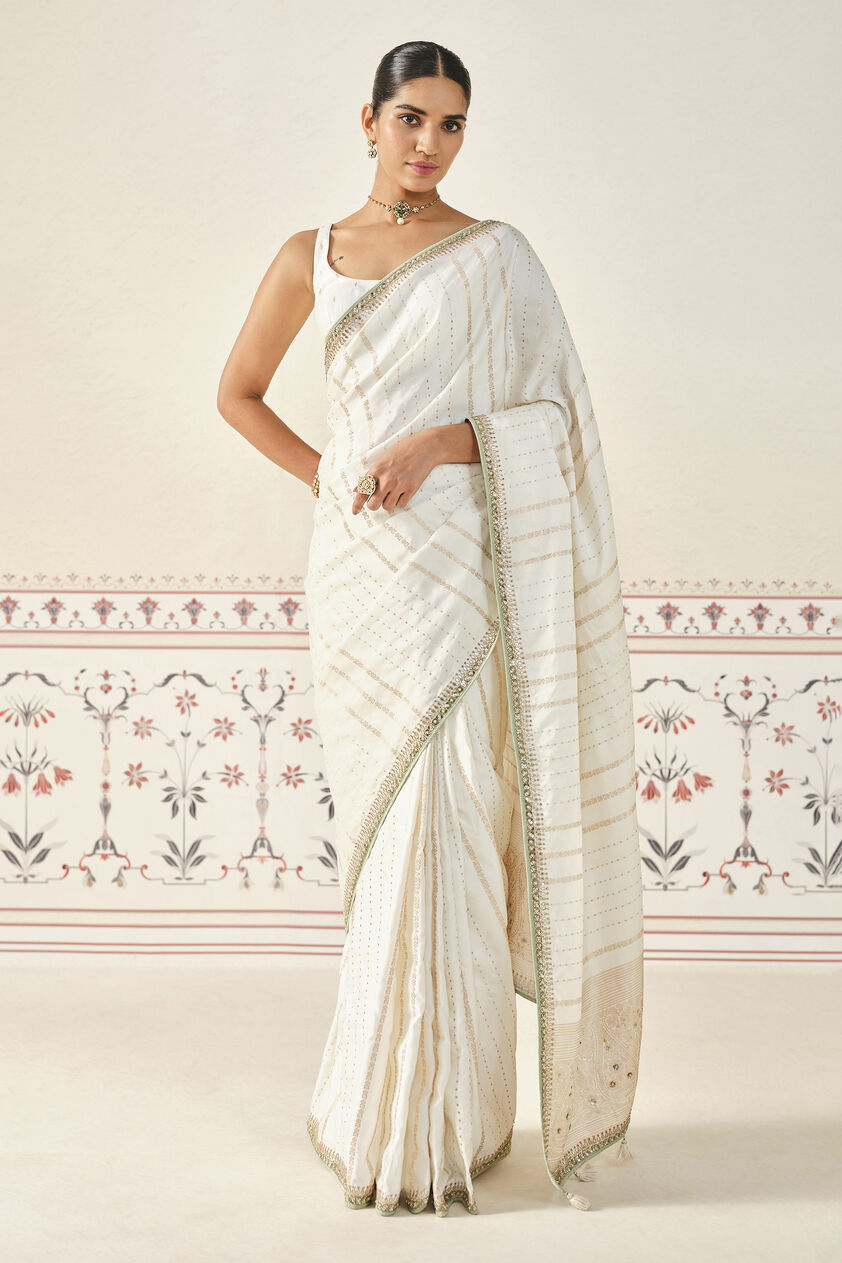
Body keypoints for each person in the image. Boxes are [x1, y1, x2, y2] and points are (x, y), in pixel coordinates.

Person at [217, 39, 644, 1219]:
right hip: (361, 572)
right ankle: (379, 1113)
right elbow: (236, 394)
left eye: (451, 125)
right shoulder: (308, 256)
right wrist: (331, 473)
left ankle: (453, 1116)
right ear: (367, 120)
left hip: (460, 565)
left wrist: (442, 443)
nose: (428, 144)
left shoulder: (496, 257)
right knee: (384, 828)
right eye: (410, 118)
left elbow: (552, 416)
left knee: (450, 813)